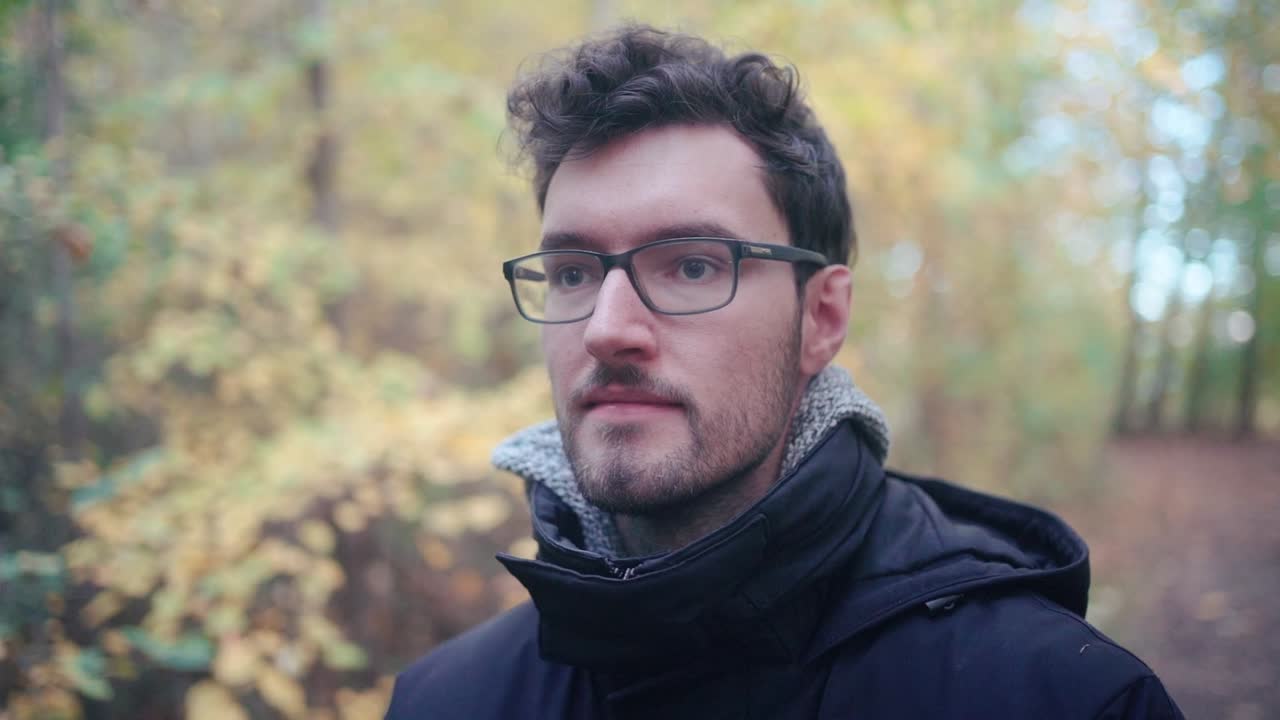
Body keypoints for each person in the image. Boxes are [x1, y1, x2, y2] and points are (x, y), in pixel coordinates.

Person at [385, 25, 1183, 720]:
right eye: (571, 273)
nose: (607, 329)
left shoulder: (1057, 697)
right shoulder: (445, 701)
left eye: (693, 266)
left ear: (821, 319)